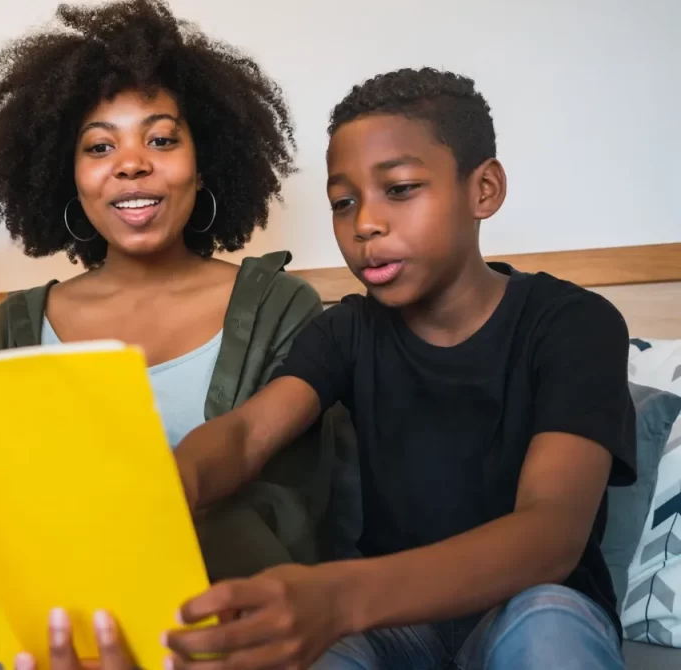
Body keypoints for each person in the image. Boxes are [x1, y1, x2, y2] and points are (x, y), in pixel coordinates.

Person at [0, 0, 334, 667]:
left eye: (162, 138)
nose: (131, 164)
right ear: (70, 177)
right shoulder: (12, 329)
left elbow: (285, 513)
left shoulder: (278, 308)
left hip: (212, 632)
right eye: (99, 146)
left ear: (205, 162)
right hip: (40, 636)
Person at [163, 67, 636, 669]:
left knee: (550, 624)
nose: (364, 224)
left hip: (530, 604)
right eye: (343, 202)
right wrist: (170, 486)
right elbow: (248, 432)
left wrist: (339, 597)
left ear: (483, 189)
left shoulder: (574, 323)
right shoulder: (346, 330)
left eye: (402, 188)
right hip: (394, 624)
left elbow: (550, 535)